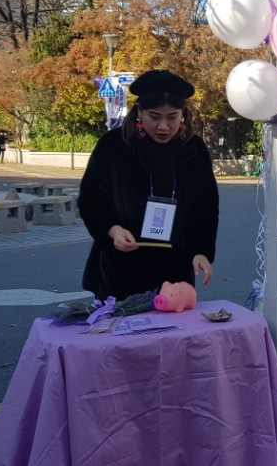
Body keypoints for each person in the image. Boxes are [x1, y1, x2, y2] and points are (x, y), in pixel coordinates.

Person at [77, 69, 219, 302]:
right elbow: (91, 199)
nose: (163, 126)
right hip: (120, 267)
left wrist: (201, 251)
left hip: (174, 270)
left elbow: (205, 207)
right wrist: (112, 230)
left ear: (183, 115)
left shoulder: (194, 150)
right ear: (139, 113)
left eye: (172, 117)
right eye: (154, 117)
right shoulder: (114, 145)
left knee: (172, 335)